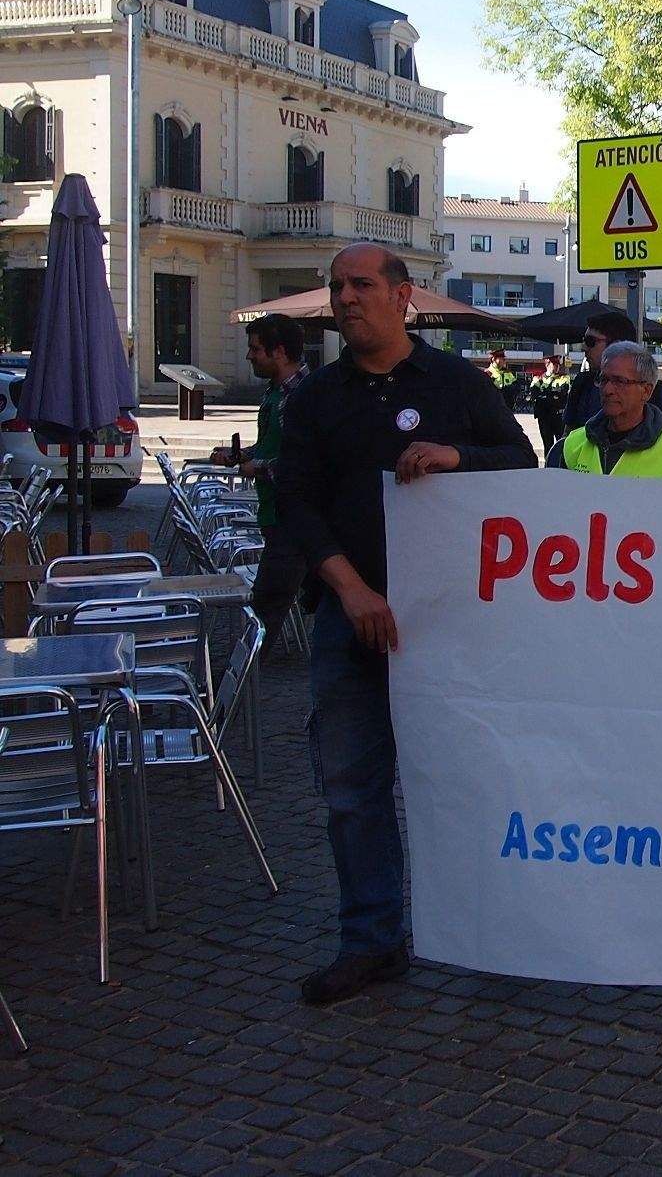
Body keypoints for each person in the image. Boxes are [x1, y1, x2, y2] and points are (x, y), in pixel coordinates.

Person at [277, 243, 538, 1005]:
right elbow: (296, 505)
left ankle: (499, 928)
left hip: (453, 624)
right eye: (336, 287)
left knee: (476, 779)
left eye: (361, 285)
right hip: (352, 622)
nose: (345, 298)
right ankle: (371, 938)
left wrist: (458, 454)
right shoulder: (316, 398)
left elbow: (521, 464)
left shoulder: (458, 383)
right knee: (354, 789)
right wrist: (350, 590)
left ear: (403, 297)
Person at [210, 312, 309, 633]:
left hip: (293, 517)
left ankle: (238, 676)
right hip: (274, 513)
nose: (249, 355)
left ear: (278, 352)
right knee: (271, 601)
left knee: (266, 607)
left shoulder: (303, 395)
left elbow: (307, 461)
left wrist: (259, 468)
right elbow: (272, 444)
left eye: (255, 348)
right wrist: (239, 456)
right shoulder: (274, 390)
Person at [548, 340, 662, 477]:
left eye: (620, 381)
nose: (607, 390)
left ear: (646, 391)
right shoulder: (574, 444)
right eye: (604, 379)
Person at [561, 310, 662, 437]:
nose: (584, 347)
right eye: (603, 380)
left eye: (590, 341)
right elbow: (567, 437)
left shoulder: (657, 393)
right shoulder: (582, 384)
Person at [530, 353, 570, 454]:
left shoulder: (563, 378)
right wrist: (552, 395)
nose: (557, 367)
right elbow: (534, 394)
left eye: (558, 364)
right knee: (547, 445)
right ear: (547, 364)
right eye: (554, 364)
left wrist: (545, 396)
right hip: (544, 417)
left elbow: (562, 393)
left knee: (561, 444)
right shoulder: (538, 378)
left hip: (558, 416)